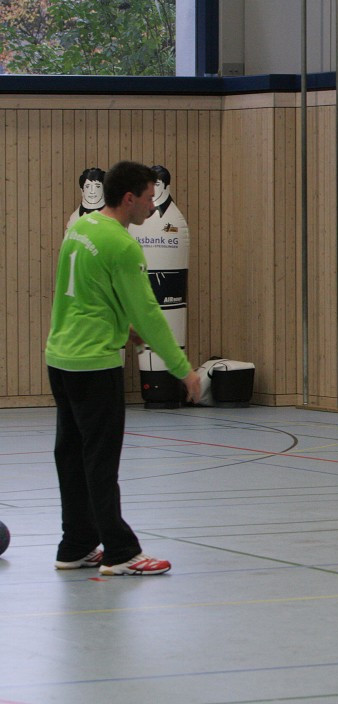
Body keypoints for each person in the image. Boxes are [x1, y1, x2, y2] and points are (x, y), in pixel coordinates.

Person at [45, 160, 200, 575]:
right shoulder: (124, 245)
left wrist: (120, 325)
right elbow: (149, 313)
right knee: (100, 459)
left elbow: (83, 294)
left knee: (73, 456)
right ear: (129, 198)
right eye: (149, 197)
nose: (153, 205)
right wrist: (182, 369)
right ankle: (120, 552)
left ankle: (75, 544)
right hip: (95, 364)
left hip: (61, 358)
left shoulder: (81, 228)